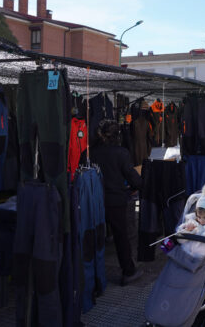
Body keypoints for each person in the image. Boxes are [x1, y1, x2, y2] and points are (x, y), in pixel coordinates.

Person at [84, 120, 144, 286]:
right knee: (121, 237)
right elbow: (133, 178)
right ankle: (128, 271)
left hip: (94, 199)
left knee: (93, 236)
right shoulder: (121, 152)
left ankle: (93, 275)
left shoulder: (90, 152)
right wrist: (136, 186)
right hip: (116, 200)